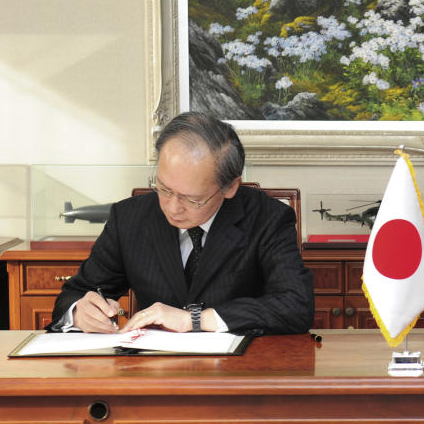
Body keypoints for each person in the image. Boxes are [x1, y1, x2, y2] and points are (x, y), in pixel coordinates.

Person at [50, 111, 314, 335]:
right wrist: (79, 312)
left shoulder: (267, 219)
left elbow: (296, 306)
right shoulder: (129, 218)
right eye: (163, 189)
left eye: (192, 199)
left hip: (238, 376)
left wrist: (195, 320)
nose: (173, 207)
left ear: (231, 186)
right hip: (153, 376)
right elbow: (74, 294)